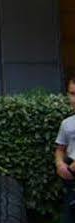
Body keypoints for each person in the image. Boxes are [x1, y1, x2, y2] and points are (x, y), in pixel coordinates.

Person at [56, 75, 75, 223]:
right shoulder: (66, 123)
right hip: (71, 182)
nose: (74, 99)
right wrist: (60, 164)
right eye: (72, 93)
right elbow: (60, 148)